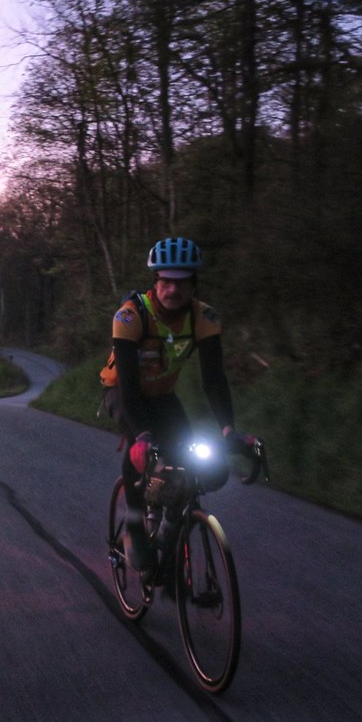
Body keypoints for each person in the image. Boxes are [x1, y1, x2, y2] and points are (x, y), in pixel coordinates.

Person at [99, 237, 251, 571]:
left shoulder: (203, 317)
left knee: (195, 464)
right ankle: (135, 524)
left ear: (193, 284)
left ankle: (170, 525)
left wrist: (228, 429)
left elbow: (214, 379)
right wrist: (142, 435)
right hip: (123, 393)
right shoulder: (130, 317)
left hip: (163, 396)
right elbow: (129, 387)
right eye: (166, 281)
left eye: (181, 283)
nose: (173, 290)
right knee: (141, 449)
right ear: (155, 281)